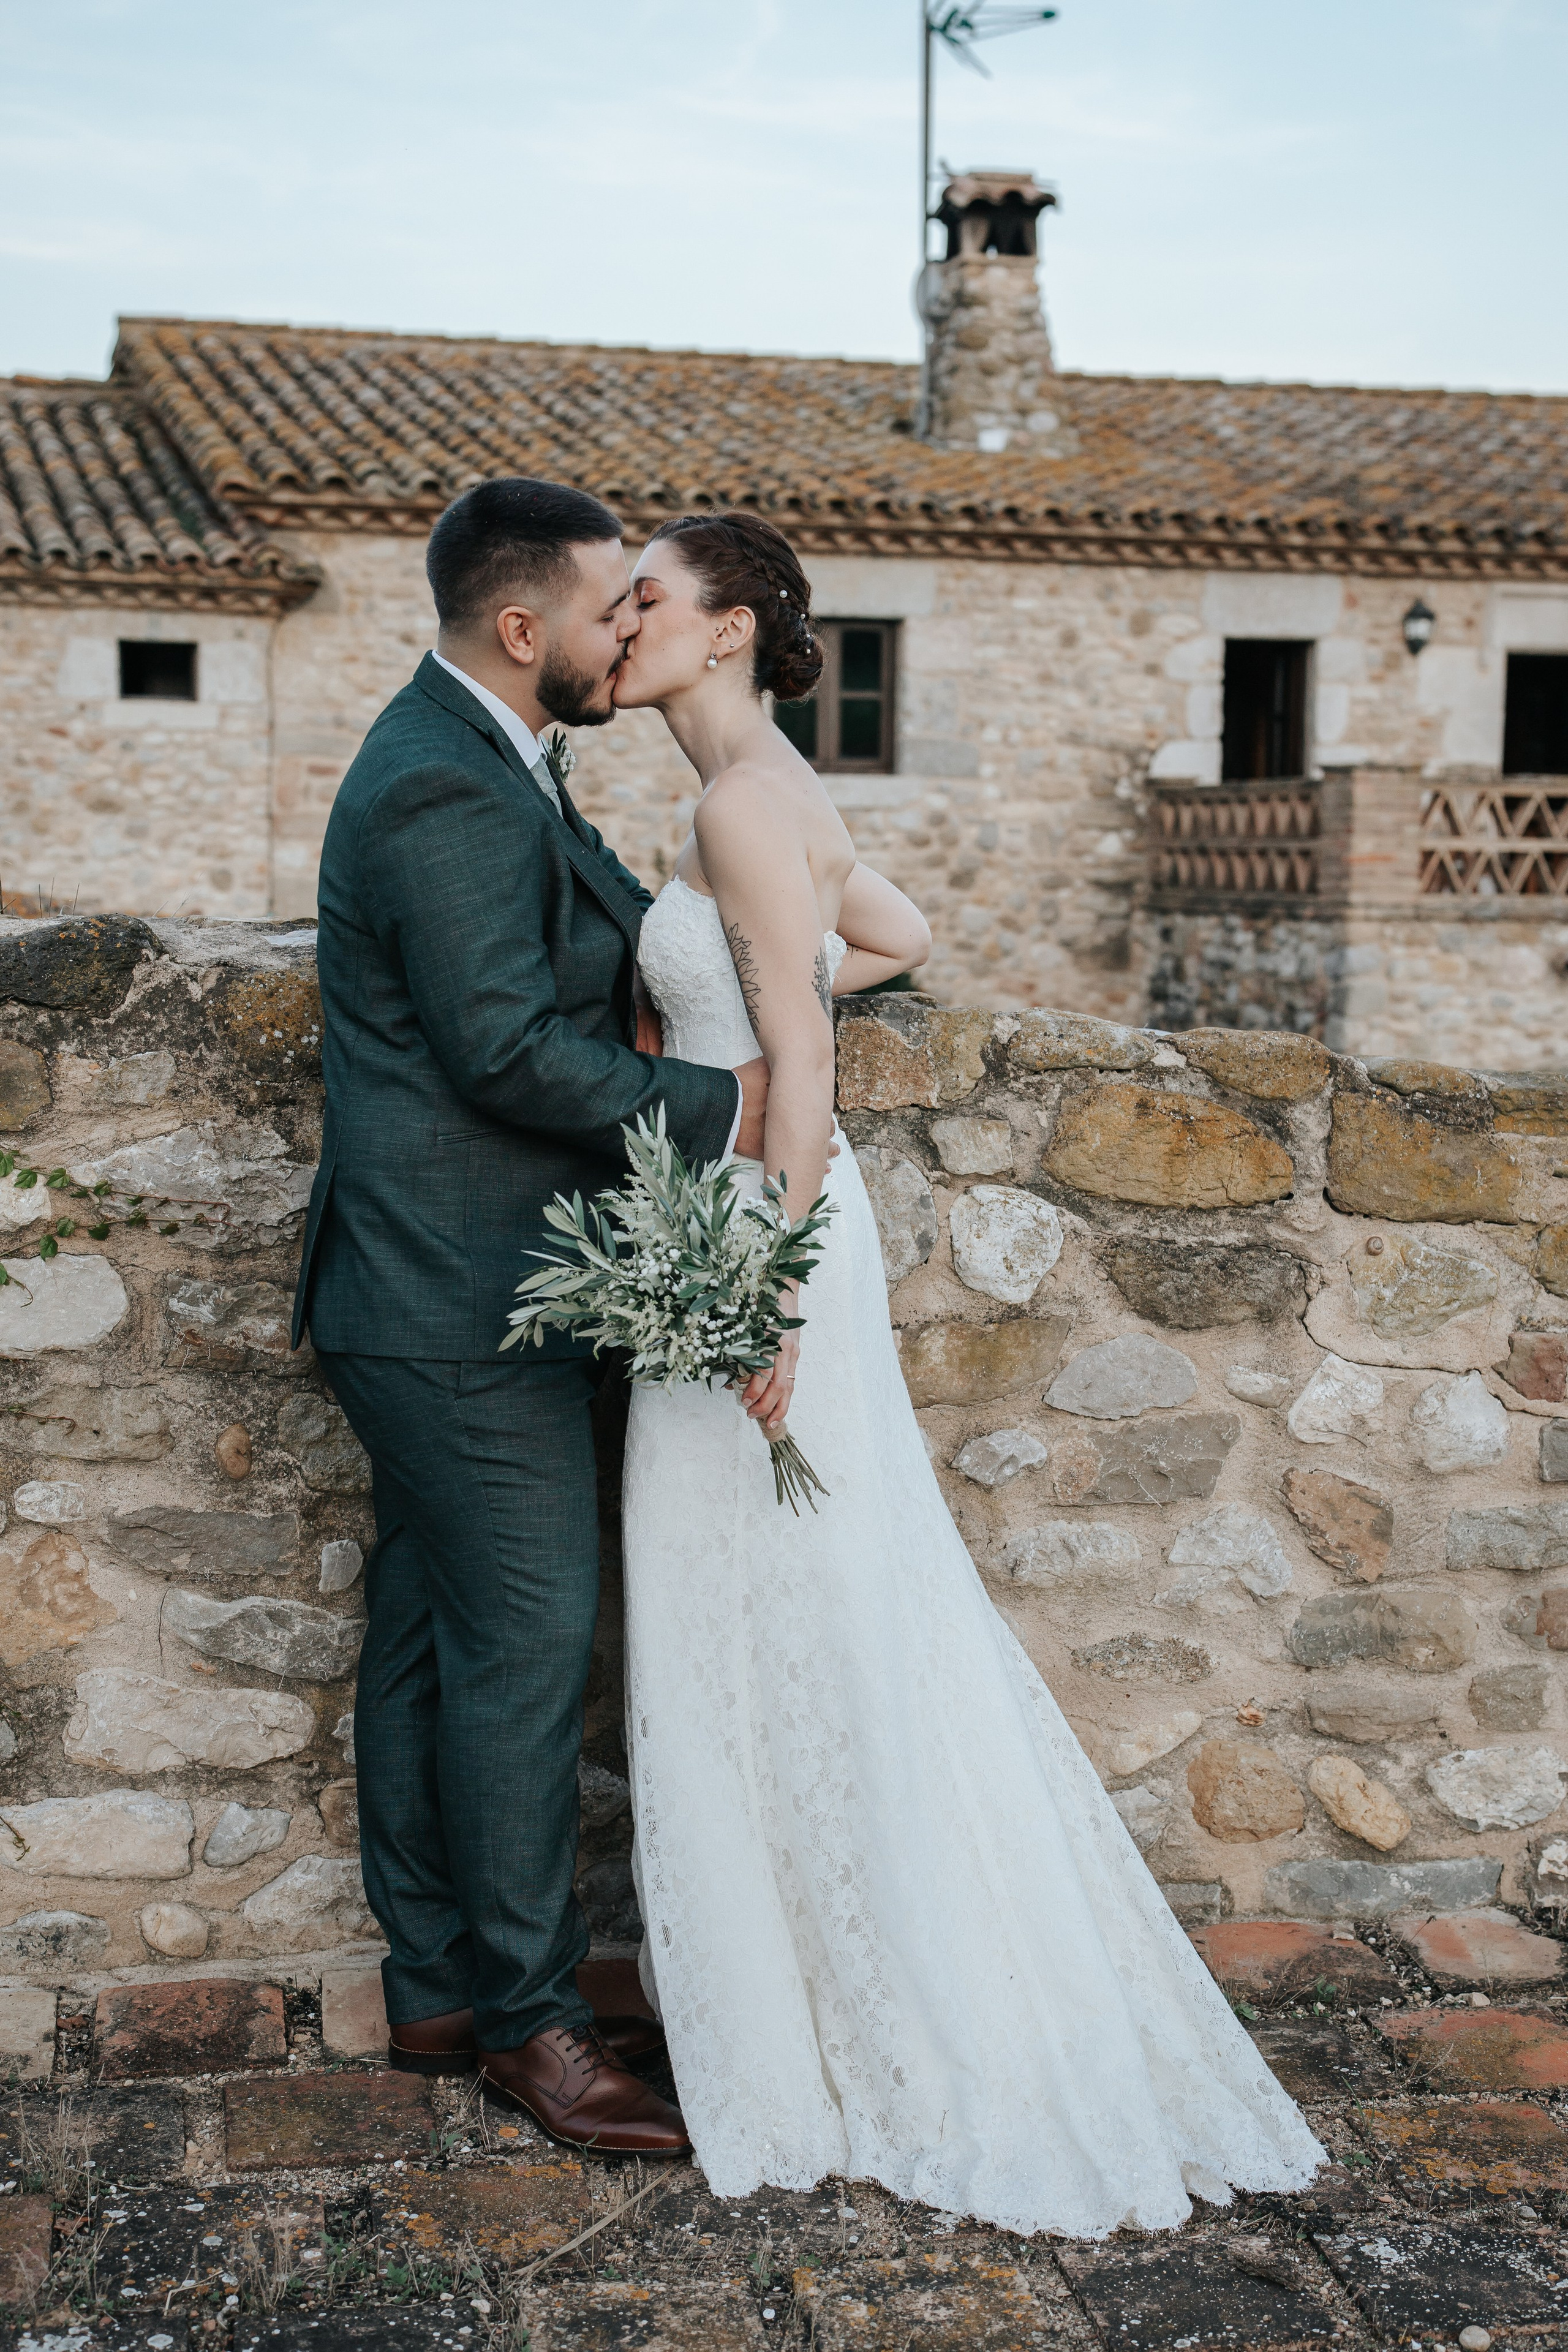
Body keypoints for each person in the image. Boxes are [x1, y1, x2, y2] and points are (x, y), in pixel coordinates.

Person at [612, 508, 1325, 2238]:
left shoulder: (730, 807)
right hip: (759, 1215)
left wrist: (763, 1295)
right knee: (798, 1596)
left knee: (751, 1601)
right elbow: (900, 936)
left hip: (758, 1228)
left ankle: (814, 2018)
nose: (614, 617)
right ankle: (800, 1979)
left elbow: (808, 1063)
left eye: (646, 596)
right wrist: (744, 1008)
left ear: (723, 633)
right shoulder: (770, 789)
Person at [292, 478, 771, 2156]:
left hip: (459, 1285)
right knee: (520, 1652)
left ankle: (440, 1984)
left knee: (433, 1641)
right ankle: (532, 2027)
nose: (621, 632)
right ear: (522, 629)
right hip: (451, 1302)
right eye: (603, 610)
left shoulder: (490, 757)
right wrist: (735, 1100)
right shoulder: (441, 784)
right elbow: (499, 1049)